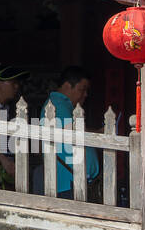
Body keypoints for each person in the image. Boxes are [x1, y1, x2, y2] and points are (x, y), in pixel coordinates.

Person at [36, 66, 100, 198]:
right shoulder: (57, 105)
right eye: (82, 89)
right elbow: (73, 132)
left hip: (73, 181)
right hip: (67, 183)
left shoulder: (63, 105)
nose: (85, 95)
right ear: (67, 86)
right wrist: (99, 133)